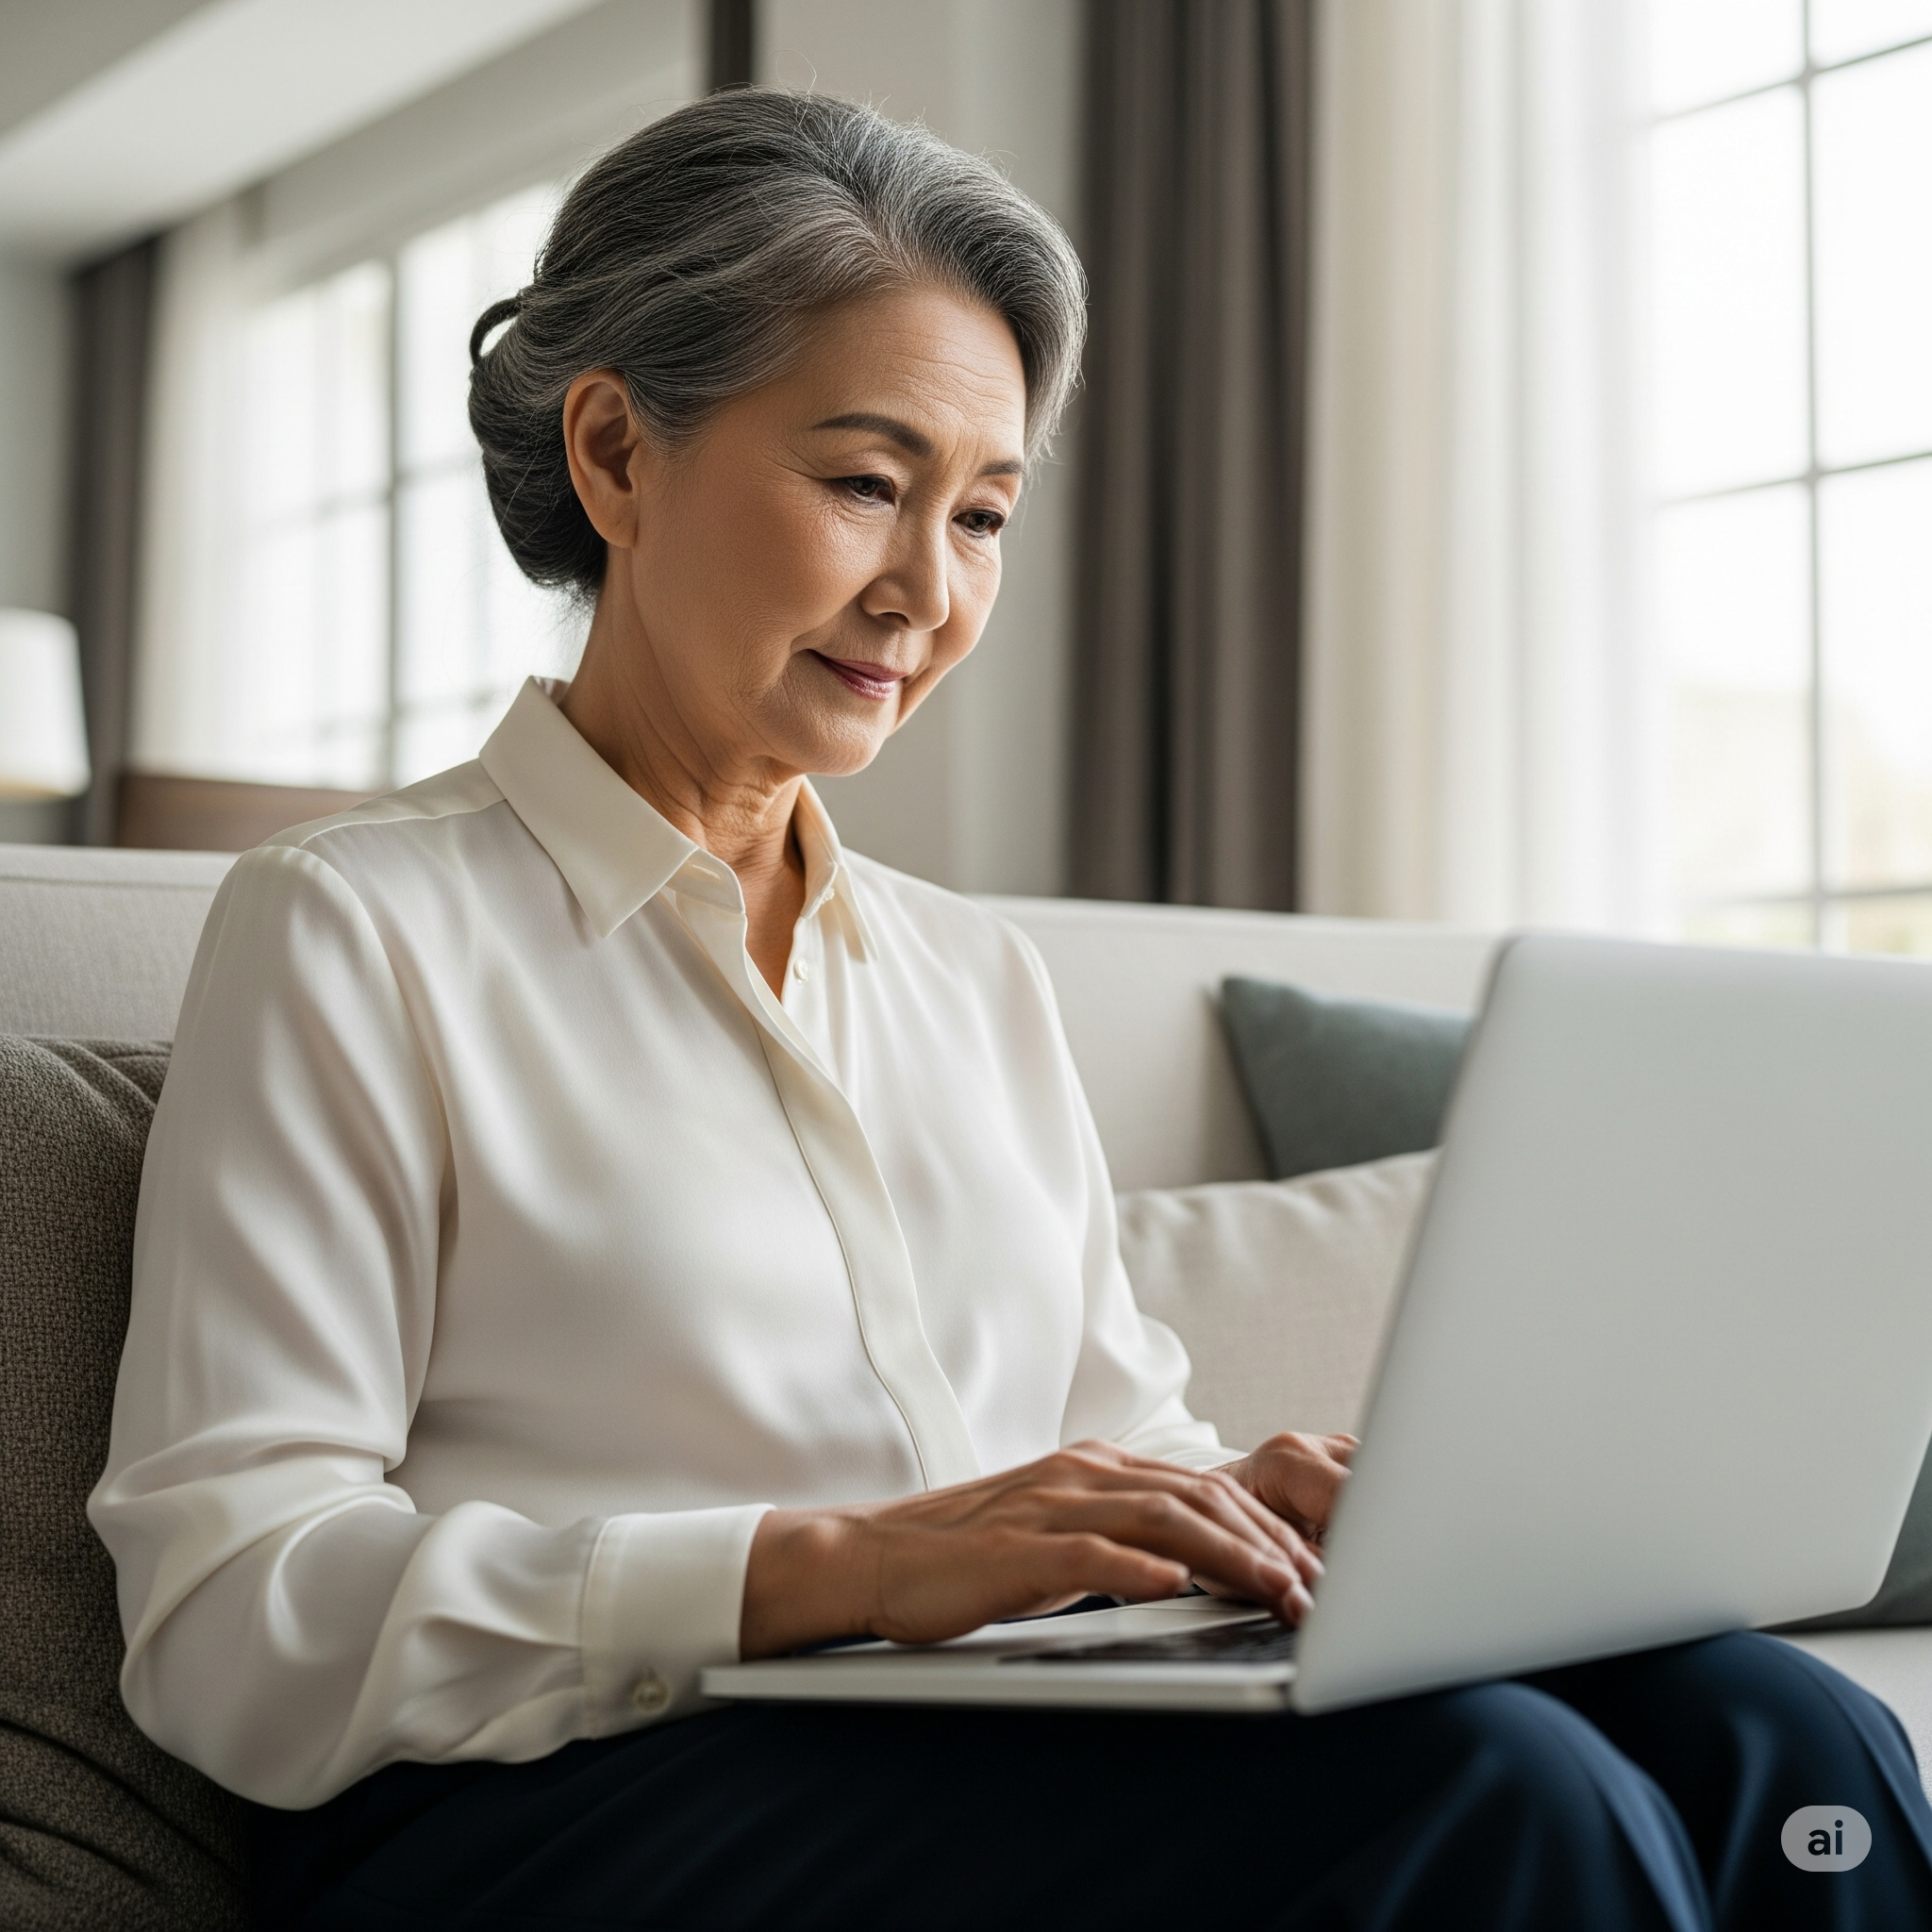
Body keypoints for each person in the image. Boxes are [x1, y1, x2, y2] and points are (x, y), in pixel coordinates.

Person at [92, 90, 1932, 1931]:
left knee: (1784, 1735)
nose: (928, 590)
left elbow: (1109, 1445)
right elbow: (231, 1610)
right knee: (1495, 1792)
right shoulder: (354, 926)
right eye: (863, 483)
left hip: (975, 1728)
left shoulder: (971, 981)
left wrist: (1258, 1508)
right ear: (615, 454)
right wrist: (829, 1564)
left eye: (979, 512)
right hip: (549, 1800)